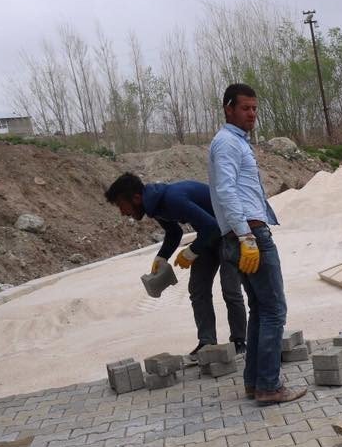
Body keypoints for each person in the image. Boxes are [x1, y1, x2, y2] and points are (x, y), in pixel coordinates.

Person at [208, 83, 306, 406]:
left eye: (254, 109)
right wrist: (246, 236)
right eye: (245, 108)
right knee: (275, 309)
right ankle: (268, 386)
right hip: (250, 235)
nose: (252, 114)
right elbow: (225, 191)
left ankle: (255, 383)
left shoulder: (235, 143)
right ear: (228, 108)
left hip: (244, 234)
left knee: (260, 309)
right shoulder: (227, 144)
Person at [104, 172, 246, 359]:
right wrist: (161, 257)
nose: (123, 212)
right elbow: (174, 233)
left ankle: (239, 342)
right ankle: (207, 342)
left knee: (230, 289)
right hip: (209, 235)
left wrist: (192, 251)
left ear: (136, 198)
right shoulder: (154, 204)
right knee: (198, 289)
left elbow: (213, 226)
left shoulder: (172, 198)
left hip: (228, 234)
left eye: (122, 206)